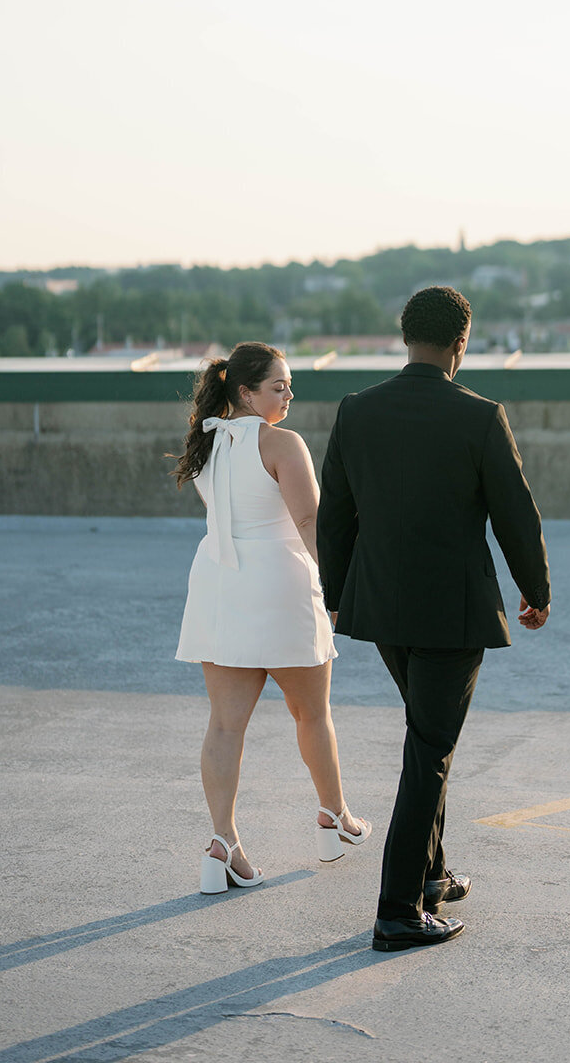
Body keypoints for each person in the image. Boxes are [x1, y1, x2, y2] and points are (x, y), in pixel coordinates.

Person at [316, 286, 551, 951]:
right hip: (452, 612)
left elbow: (335, 515)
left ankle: (431, 877)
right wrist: (534, 591)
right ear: (462, 341)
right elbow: (514, 512)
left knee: (426, 737)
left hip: (381, 606)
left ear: (402, 336)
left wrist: (335, 594)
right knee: (428, 752)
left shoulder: (356, 410)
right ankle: (396, 910)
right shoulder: (479, 416)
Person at [174, 341, 370, 892]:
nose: (288, 394)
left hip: (219, 583)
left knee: (224, 723)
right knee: (312, 714)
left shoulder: (206, 440)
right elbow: (309, 520)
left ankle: (224, 843)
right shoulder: (282, 442)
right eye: (278, 386)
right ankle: (335, 817)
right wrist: (338, 586)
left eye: (289, 385)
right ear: (245, 391)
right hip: (279, 583)